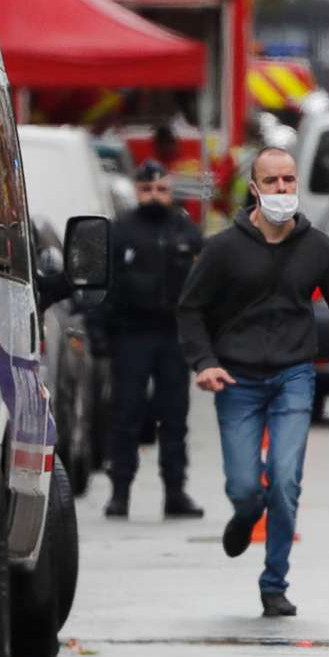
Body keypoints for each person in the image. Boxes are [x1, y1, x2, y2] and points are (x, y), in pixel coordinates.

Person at [177, 145, 329, 616]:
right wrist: (204, 363)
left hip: (294, 377)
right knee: (245, 486)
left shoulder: (317, 247)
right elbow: (191, 309)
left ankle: (274, 581)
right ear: (254, 189)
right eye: (272, 182)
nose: (282, 190)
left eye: (289, 181)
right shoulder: (222, 249)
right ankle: (245, 513)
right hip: (235, 380)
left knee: (284, 477)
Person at [103, 161, 207, 520]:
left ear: (170, 191)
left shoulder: (185, 231)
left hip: (172, 337)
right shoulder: (122, 231)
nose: (154, 197)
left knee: (174, 418)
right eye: (147, 190)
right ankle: (119, 493)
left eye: (161, 190)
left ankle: (175, 492)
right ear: (137, 190)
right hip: (132, 335)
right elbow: (105, 286)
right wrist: (102, 333)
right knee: (126, 416)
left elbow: (203, 286)